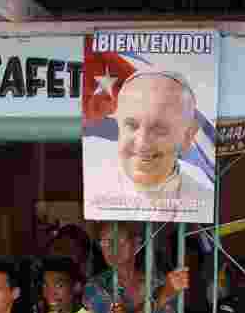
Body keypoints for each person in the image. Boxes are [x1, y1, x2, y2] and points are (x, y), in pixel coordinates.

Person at [85, 72, 213, 223]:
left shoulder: (208, 205)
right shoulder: (90, 197)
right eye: (131, 125)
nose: (142, 143)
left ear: (187, 136)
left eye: (159, 128)